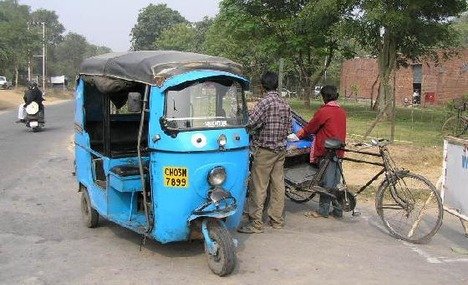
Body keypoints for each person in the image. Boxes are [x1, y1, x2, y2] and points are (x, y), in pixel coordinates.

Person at [238, 71, 292, 234]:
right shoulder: (285, 104)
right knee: (277, 184)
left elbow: (250, 123)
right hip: (280, 150)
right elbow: (289, 128)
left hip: (265, 150)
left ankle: (256, 222)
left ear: (262, 86)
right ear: (276, 85)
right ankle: (276, 220)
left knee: (259, 186)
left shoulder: (264, 103)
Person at [295, 85, 347, 219]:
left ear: (325, 97)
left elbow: (310, 128)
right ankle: (337, 210)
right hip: (339, 151)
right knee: (336, 182)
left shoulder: (324, 111)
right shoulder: (341, 111)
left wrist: (298, 135)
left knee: (327, 183)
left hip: (328, 152)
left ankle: (322, 211)